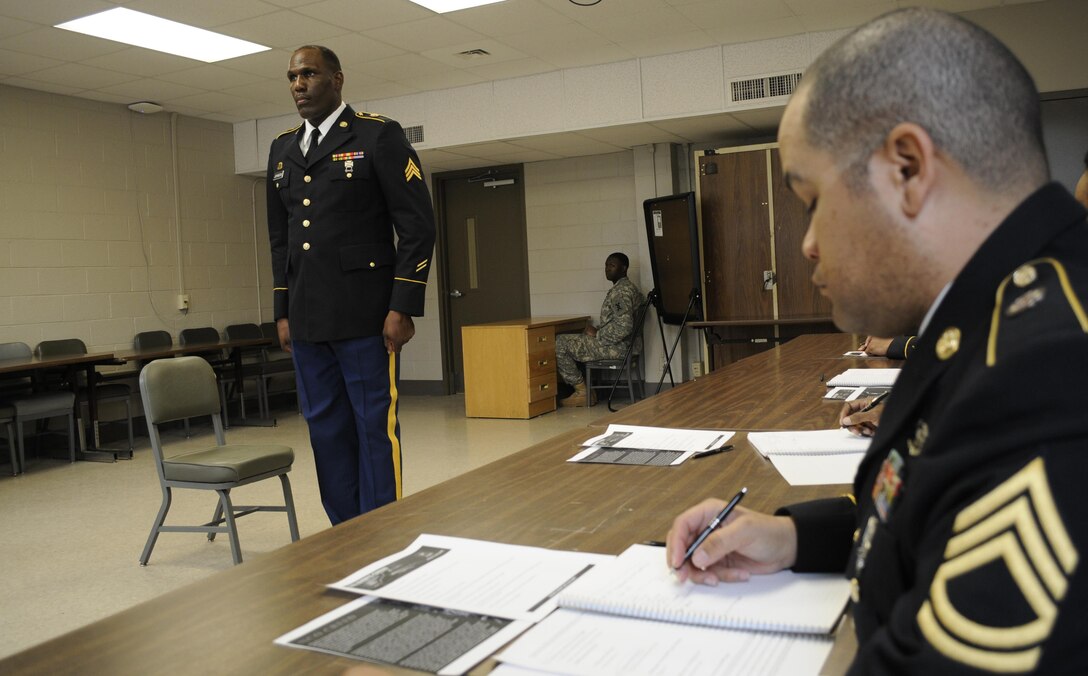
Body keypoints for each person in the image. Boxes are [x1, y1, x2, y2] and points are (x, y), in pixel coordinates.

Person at [667, 8, 1088, 673]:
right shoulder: (1001, 315)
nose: (807, 243)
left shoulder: (1049, 369)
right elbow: (936, 507)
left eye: (811, 200)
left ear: (908, 169)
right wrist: (794, 536)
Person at [267, 45, 436, 525]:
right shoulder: (282, 148)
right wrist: (282, 311)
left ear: (337, 79)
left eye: (309, 74)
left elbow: (418, 226)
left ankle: (382, 533)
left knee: (372, 430)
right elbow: (280, 241)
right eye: (292, 77)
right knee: (326, 431)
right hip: (307, 321)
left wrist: (402, 306)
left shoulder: (377, 135)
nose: (299, 84)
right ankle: (344, 535)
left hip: (366, 317)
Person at [555, 253, 642, 407]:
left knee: (560, 342)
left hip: (618, 348)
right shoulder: (627, 288)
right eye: (606, 265)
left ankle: (582, 391)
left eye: (612, 265)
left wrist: (598, 333)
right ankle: (588, 391)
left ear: (624, 268)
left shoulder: (620, 292)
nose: (607, 269)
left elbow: (624, 326)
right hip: (623, 345)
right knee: (579, 337)